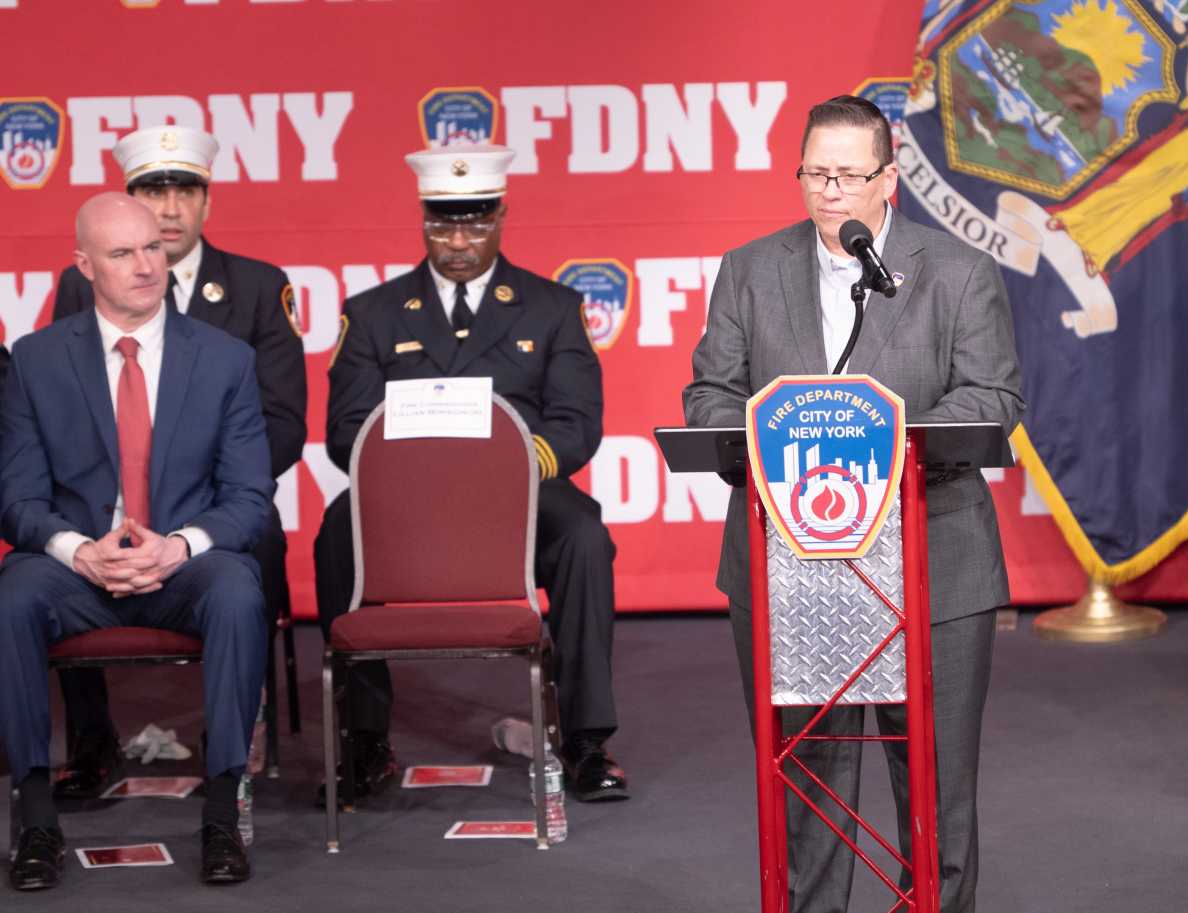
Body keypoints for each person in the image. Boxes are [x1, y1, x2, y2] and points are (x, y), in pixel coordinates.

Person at [683, 96, 1024, 913]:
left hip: (933, 558)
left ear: (889, 179)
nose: (829, 191)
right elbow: (709, 398)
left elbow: (991, 398)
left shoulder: (957, 271)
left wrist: (876, 440)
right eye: (814, 173)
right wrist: (780, 433)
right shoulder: (750, 269)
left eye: (847, 175)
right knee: (810, 792)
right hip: (790, 569)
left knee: (936, 792)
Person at [313, 144, 628, 802]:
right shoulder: (371, 313)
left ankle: (586, 739)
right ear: (423, 219)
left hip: (521, 498)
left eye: (476, 222)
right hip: (403, 504)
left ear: (502, 216)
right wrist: (417, 476)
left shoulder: (552, 307)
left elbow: (575, 423)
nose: (458, 239)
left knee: (585, 537)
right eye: (442, 223)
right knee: (338, 528)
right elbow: (346, 431)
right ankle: (362, 740)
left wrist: (508, 470)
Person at [0, 193, 273, 888]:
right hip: (78, 569)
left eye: (153, 247)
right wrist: (77, 549)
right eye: (122, 253)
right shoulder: (34, 361)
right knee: (14, 593)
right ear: (83, 264)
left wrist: (179, 545)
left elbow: (249, 499)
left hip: (181, 567)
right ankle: (34, 817)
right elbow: (17, 499)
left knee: (240, 588)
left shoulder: (225, 359)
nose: (146, 265)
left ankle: (222, 811)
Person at [50, 125, 306, 799]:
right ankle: (91, 739)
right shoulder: (78, 288)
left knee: (260, 542)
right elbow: (64, 414)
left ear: (208, 202)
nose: (169, 208)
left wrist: (201, 511)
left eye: (184, 190)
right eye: (152, 192)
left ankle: (243, 713)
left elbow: (283, 420)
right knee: (58, 546)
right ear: (128, 203)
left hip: (216, 503)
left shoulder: (256, 287)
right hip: (110, 505)